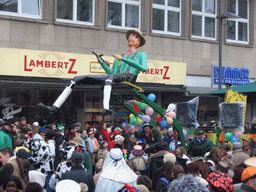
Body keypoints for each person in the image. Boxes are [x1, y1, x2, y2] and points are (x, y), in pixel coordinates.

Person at [39, 28, 147, 115]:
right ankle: (54, 107)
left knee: (110, 78)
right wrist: (101, 62)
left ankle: (106, 107)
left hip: (129, 78)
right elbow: (111, 73)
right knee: (77, 79)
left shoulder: (140, 55)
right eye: (130, 35)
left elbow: (144, 68)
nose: (130, 37)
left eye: (134, 36)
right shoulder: (121, 56)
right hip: (116, 78)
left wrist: (123, 59)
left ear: (139, 41)